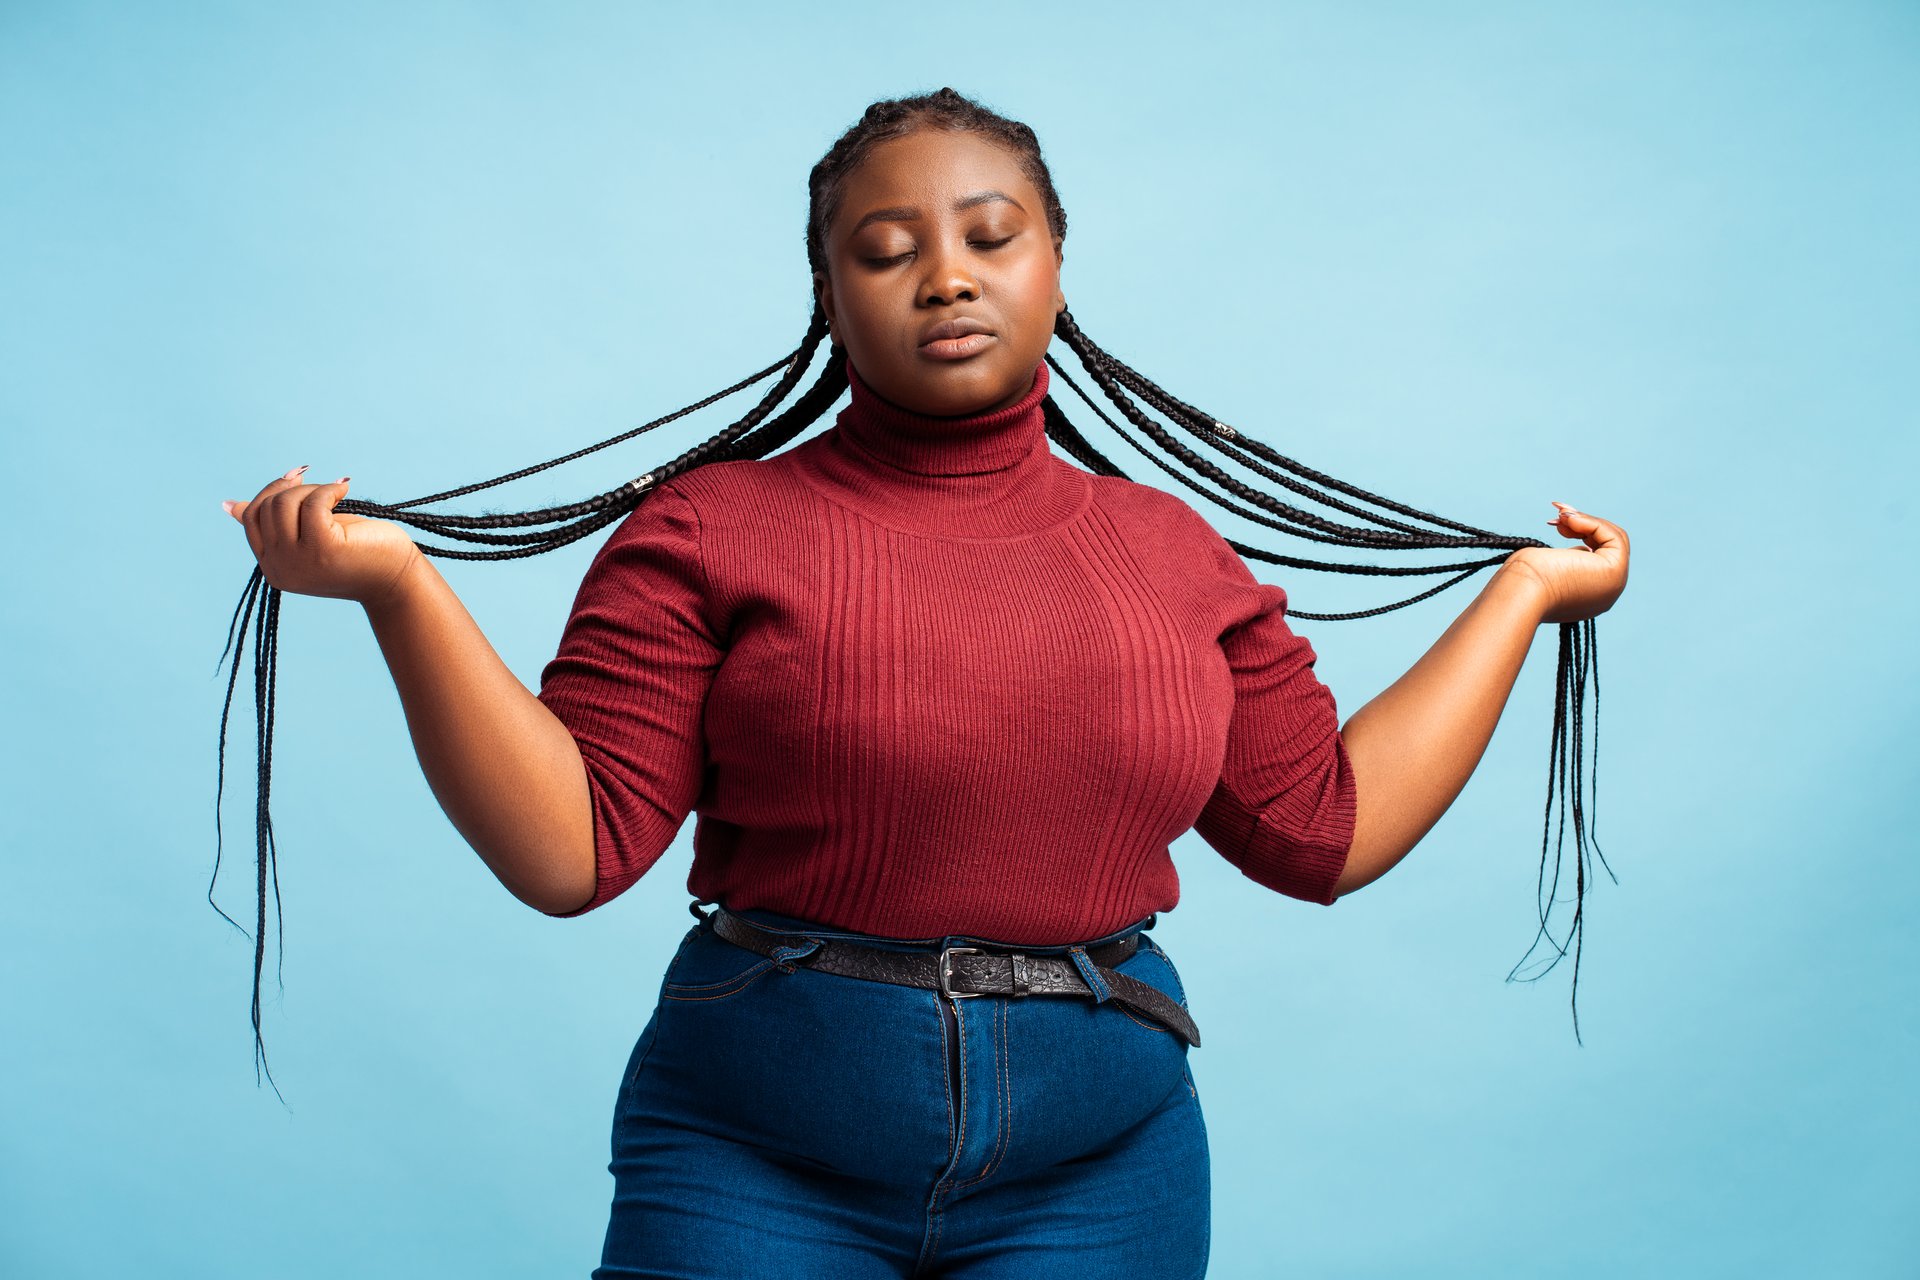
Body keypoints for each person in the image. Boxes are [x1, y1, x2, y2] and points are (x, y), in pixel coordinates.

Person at [219, 88, 1629, 1278]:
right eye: (884, 249)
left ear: (1056, 266)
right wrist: (402, 590)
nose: (944, 274)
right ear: (829, 296)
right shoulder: (708, 531)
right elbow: (573, 848)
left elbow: (1326, 829)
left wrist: (1526, 597)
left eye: (988, 236)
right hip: (748, 1152)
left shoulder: (1171, 550)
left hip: (1106, 1167)